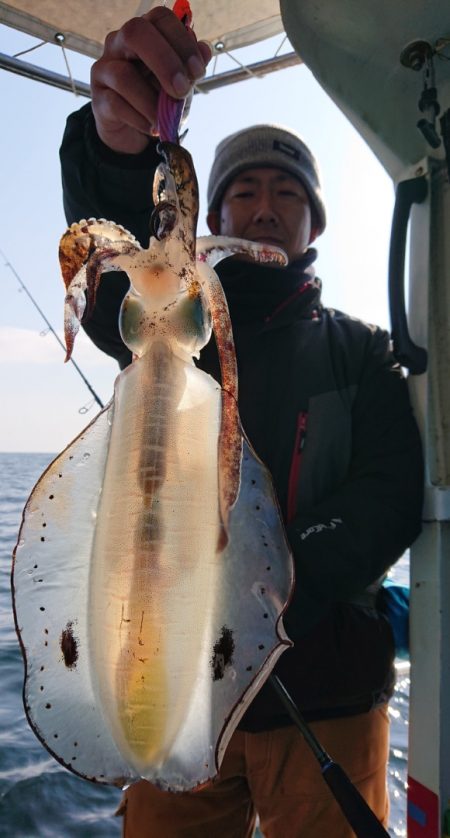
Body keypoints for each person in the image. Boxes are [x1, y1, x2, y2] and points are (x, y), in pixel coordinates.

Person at [59, 6, 423, 836]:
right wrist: (117, 143)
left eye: (288, 193)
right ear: (215, 215)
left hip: (325, 693)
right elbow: (123, 279)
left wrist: (277, 583)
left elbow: (389, 495)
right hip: (181, 688)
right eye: (246, 190)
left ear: (313, 224)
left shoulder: (360, 352)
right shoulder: (171, 335)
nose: (265, 206)